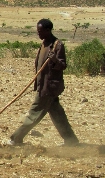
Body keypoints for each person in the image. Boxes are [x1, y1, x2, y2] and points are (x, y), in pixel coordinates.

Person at [8, 18, 79, 146]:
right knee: (58, 116)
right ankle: (71, 141)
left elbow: (63, 65)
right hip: (43, 86)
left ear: (48, 30)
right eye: (37, 31)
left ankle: (16, 139)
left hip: (49, 88)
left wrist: (55, 60)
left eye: (40, 31)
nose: (38, 34)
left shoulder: (57, 45)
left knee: (34, 114)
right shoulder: (44, 44)